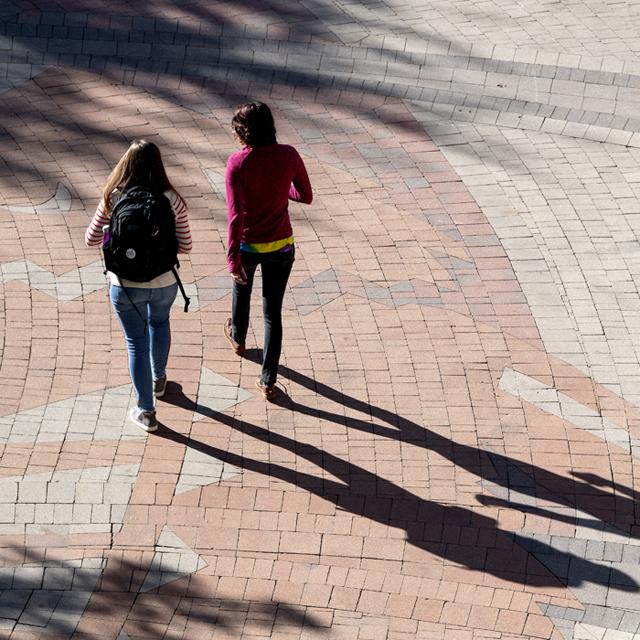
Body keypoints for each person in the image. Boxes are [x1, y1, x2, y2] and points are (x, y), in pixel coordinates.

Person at [85, 140, 192, 432]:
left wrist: (113, 239)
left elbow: (91, 239)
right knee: (160, 323)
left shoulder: (114, 197)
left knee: (136, 343)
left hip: (125, 285)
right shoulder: (171, 198)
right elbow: (187, 245)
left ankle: (146, 410)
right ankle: (159, 379)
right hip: (165, 282)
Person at [224, 102, 312, 399]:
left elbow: (235, 216)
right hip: (281, 246)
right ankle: (268, 379)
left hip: (248, 246)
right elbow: (305, 195)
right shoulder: (288, 154)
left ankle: (238, 337)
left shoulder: (237, 163)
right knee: (272, 313)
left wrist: (232, 258)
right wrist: (280, 190)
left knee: (241, 290)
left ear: (243, 132)